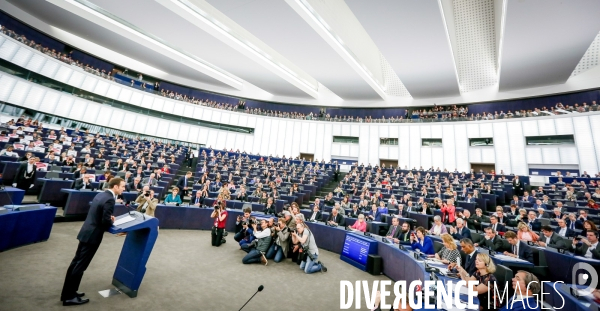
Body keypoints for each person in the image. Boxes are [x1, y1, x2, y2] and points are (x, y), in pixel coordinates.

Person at [60, 178, 125, 305]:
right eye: (122, 186)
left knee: (75, 263)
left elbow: (98, 214)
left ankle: (69, 292)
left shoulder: (101, 194)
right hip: (92, 237)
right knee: (80, 266)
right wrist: (112, 223)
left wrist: (107, 218)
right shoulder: (110, 199)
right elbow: (104, 222)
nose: (124, 189)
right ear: (115, 187)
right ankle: (69, 297)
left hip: (86, 232)